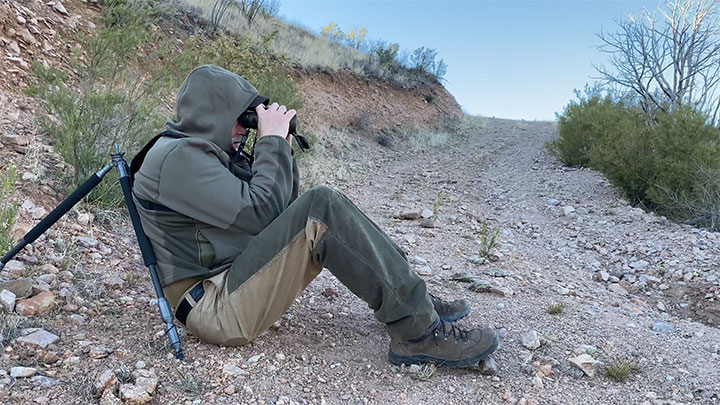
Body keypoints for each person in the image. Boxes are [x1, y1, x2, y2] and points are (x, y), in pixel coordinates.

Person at [131, 64, 499, 367]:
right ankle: (419, 332)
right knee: (322, 206)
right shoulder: (175, 158)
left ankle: (411, 300)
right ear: (212, 112)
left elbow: (282, 210)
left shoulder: (204, 154)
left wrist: (280, 146)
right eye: (240, 118)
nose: (245, 128)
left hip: (229, 279)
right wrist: (270, 143)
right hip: (213, 306)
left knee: (324, 202)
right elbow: (264, 215)